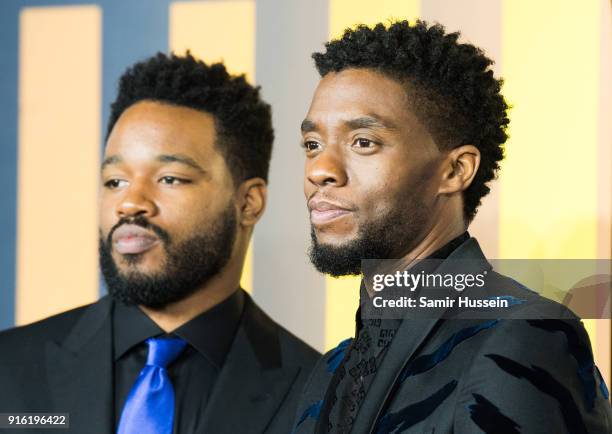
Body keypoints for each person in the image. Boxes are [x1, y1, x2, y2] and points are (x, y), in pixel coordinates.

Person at [293, 21, 611, 433]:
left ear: (455, 170)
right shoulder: (328, 372)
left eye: (363, 142)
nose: (320, 170)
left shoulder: (524, 335)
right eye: (312, 145)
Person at [0, 52, 319, 434]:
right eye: (115, 181)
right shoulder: (9, 366)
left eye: (170, 179)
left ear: (248, 203)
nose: (130, 202)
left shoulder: (321, 395)